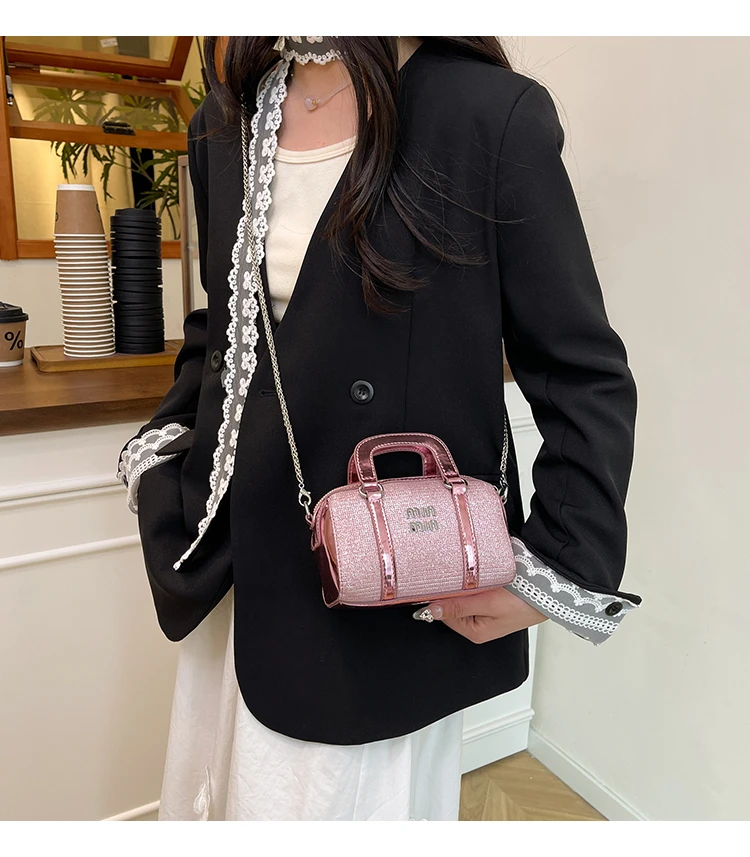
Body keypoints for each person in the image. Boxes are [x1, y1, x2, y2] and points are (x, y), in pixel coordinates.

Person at [116, 37, 642, 821]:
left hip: (381, 591)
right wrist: (162, 452)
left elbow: (579, 367)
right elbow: (223, 325)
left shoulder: (487, 117)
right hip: (234, 569)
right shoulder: (224, 122)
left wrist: (554, 562)